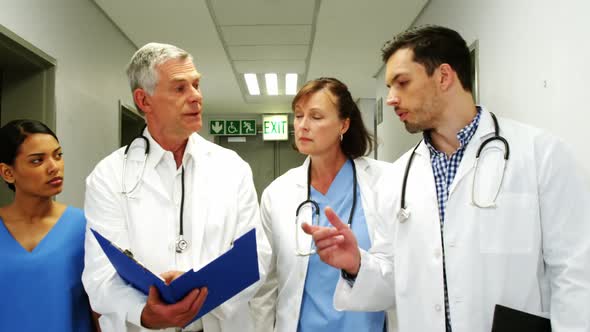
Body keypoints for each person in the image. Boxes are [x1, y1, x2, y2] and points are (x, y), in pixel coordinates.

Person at [303, 26, 590, 332]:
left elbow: (575, 272)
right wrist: (357, 264)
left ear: (443, 76)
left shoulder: (540, 155)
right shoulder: (397, 179)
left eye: (401, 83)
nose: (390, 99)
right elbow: (393, 280)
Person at [82, 42, 270, 332]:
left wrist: (200, 296)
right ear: (144, 101)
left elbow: (257, 256)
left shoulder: (232, 168)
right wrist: (143, 311)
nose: (196, 97)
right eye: (180, 88)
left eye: (196, 84)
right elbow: (100, 274)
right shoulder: (108, 176)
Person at [251, 77, 394, 331]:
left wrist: (357, 263)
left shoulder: (385, 182)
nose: (302, 126)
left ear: (344, 124)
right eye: (298, 115)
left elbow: (400, 269)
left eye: (316, 117)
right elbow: (266, 284)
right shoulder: (278, 193)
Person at [0, 119, 97, 331]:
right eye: (37, 161)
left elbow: (99, 310)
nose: (54, 167)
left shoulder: (85, 227)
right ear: (8, 173)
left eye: (58, 155)